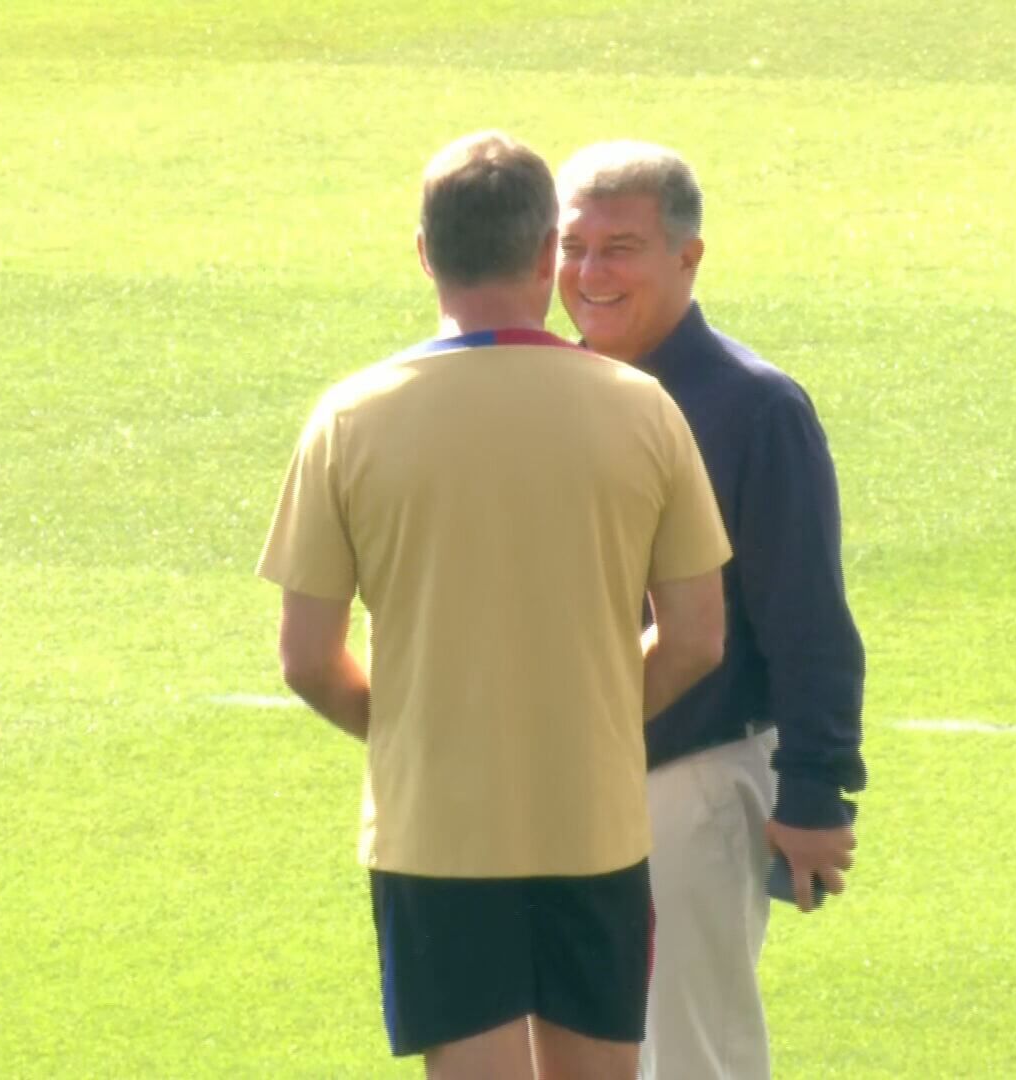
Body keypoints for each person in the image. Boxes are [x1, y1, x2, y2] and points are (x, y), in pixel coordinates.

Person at [257, 131, 734, 1080]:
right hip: (592, 822)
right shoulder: (642, 410)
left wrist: (411, 736)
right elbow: (695, 638)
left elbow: (308, 657)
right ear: (544, 255)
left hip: (435, 831)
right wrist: (591, 724)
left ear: (426, 252)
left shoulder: (352, 418)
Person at [554, 141, 868, 1080]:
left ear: (688, 258)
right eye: (572, 247)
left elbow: (808, 618)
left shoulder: (754, 408)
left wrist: (816, 794)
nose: (589, 274)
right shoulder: (544, 393)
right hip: (559, 789)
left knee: (695, 1059)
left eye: (621, 248)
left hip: (691, 782)